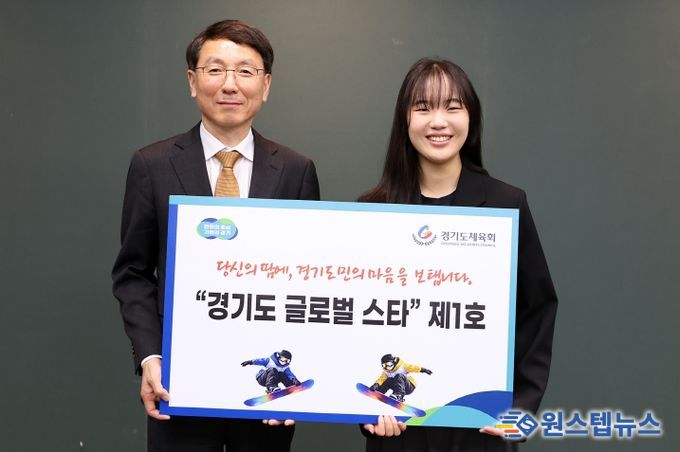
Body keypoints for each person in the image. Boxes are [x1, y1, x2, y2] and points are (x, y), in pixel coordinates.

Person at [111, 19, 320, 452]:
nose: (230, 84)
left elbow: (307, 280)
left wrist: (297, 369)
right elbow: (133, 272)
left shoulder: (296, 170)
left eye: (245, 71)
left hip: (265, 396)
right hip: (179, 383)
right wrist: (151, 356)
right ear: (193, 81)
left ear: (265, 85)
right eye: (215, 70)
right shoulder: (152, 165)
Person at [359, 58, 558, 451]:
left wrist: (520, 407)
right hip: (399, 429)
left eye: (452, 107)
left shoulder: (505, 204)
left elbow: (537, 309)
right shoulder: (374, 209)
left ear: (471, 117)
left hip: (481, 428)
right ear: (405, 120)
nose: (438, 122)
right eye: (423, 108)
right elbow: (354, 318)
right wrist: (363, 411)